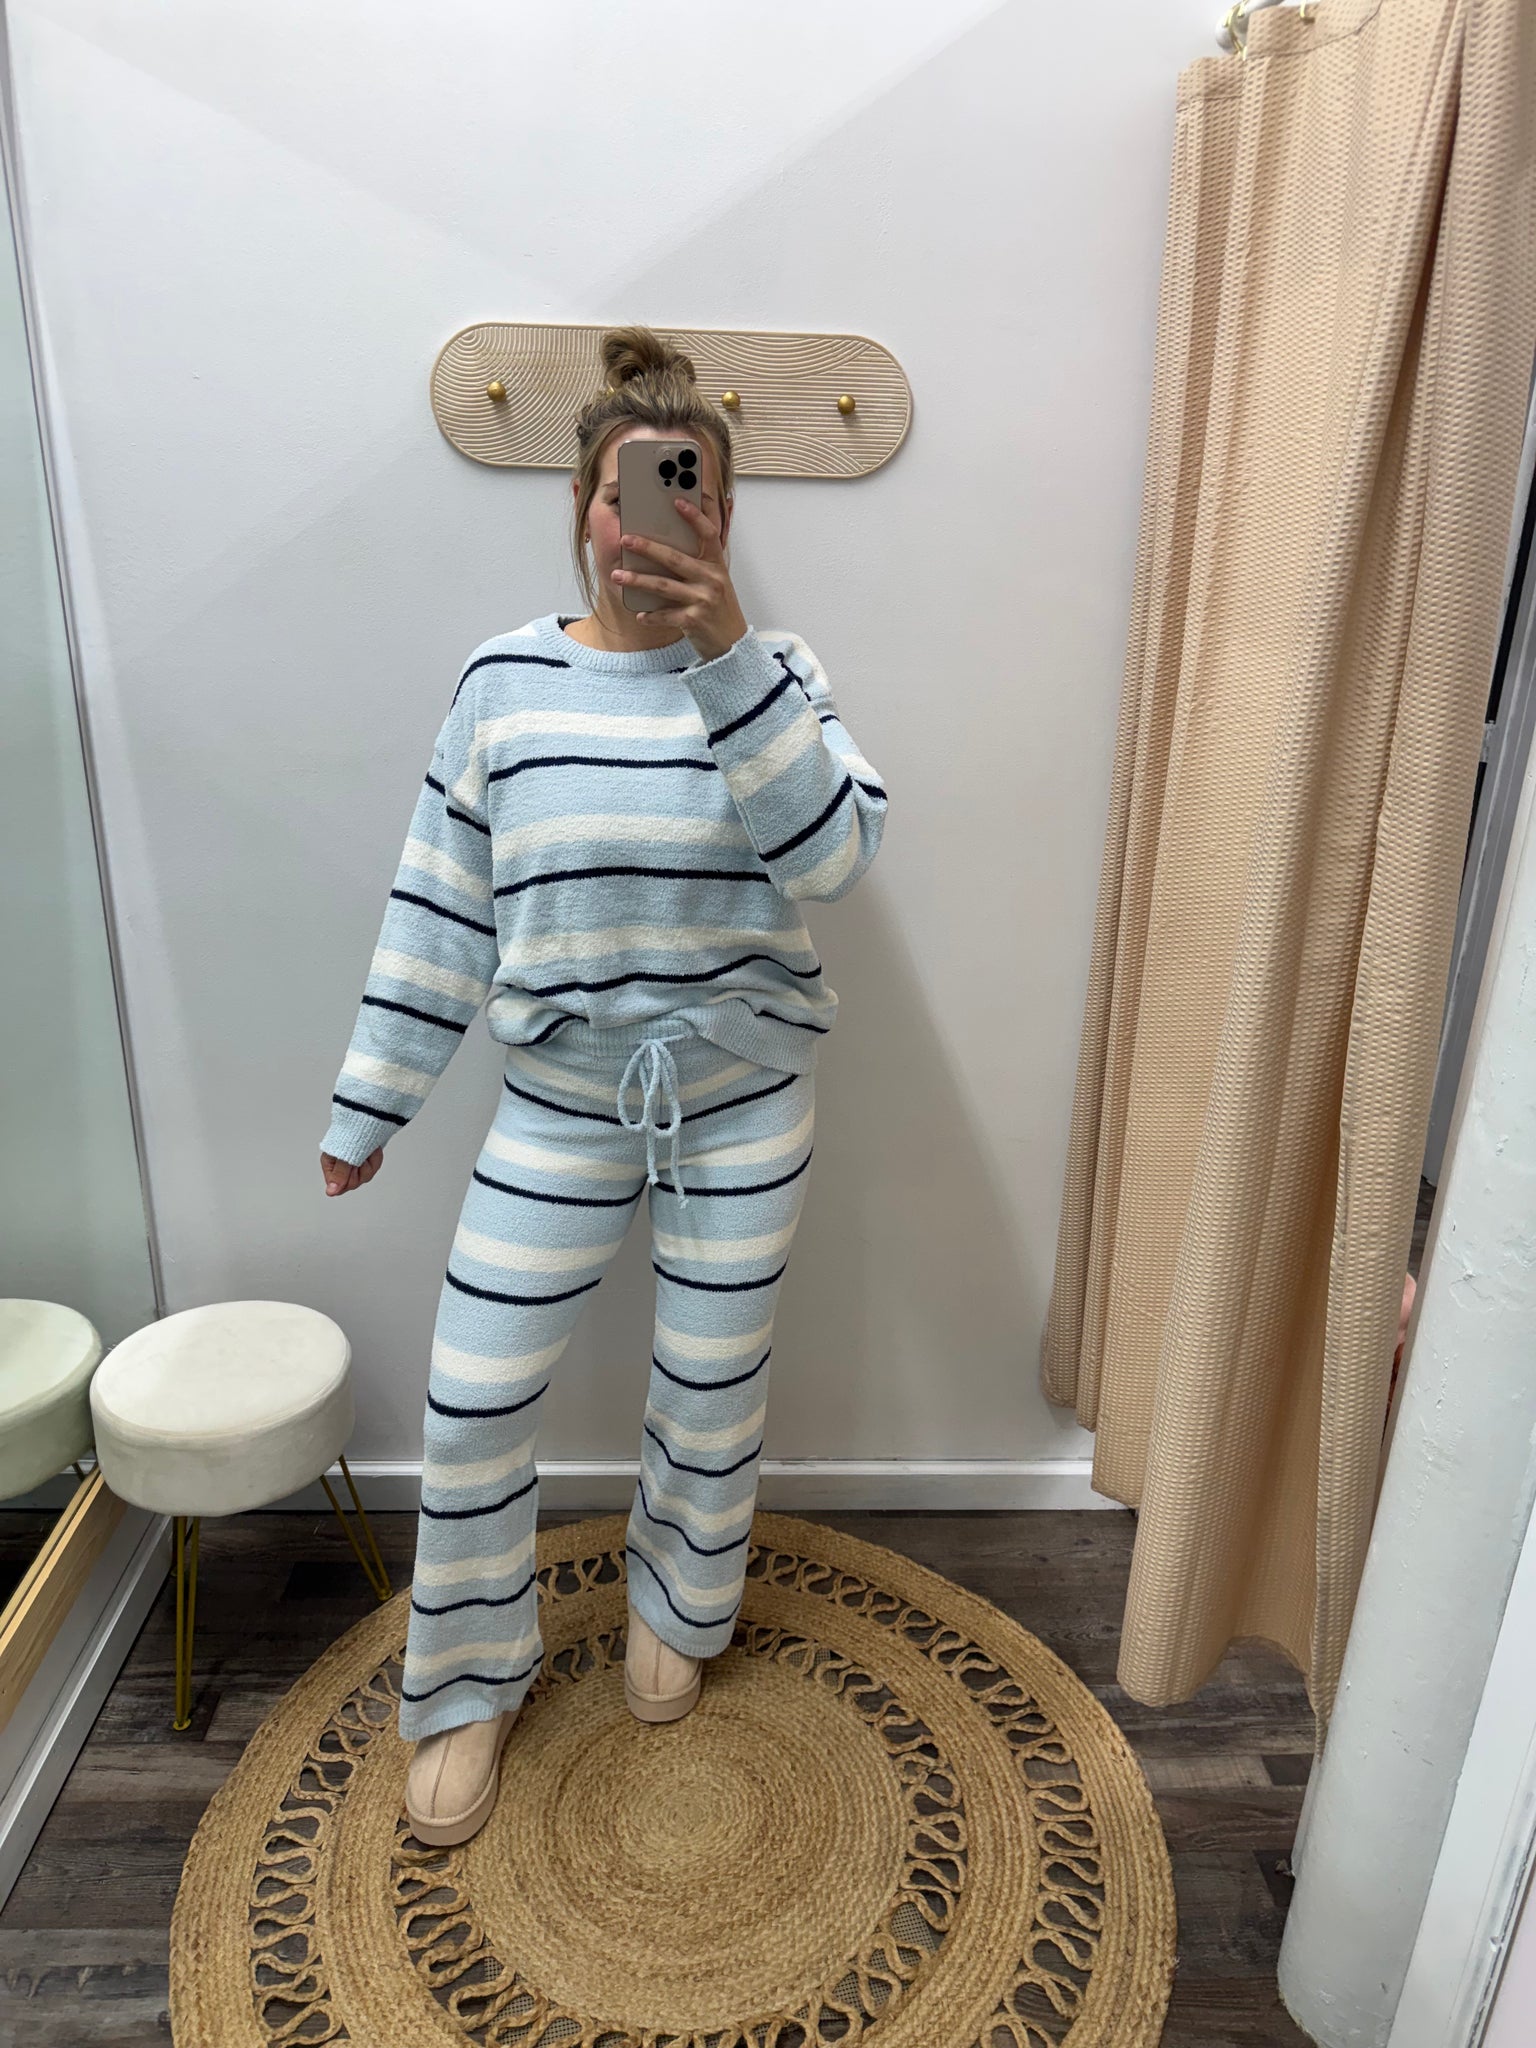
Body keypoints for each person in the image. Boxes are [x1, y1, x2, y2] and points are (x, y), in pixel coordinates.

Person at [317, 326, 889, 1847]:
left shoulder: (780, 677)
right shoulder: (503, 683)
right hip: (562, 1102)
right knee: (471, 1399)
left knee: (709, 1387)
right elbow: (440, 905)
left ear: (723, 512)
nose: (656, 520)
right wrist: (373, 1104)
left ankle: (677, 1610)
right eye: (633, 491)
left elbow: (837, 859)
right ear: (584, 507)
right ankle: (467, 1681)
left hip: (744, 1098)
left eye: (689, 492)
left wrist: (733, 656)